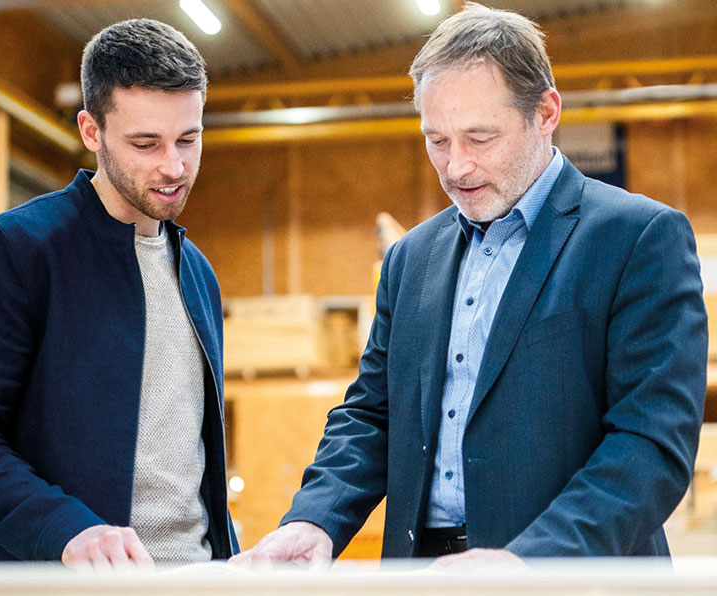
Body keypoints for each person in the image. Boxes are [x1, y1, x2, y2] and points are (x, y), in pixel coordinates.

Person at [231, 3, 707, 567]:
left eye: (480, 138)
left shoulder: (636, 238)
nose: (456, 168)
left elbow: (649, 443)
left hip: (568, 573)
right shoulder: (412, 258)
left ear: (546, 112)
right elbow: (374, 413)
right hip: (424, 571)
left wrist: (532, 558)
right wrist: (316, 518)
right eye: (437, 141)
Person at [0, 18, 237, 568]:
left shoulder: (198, 275)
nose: (174, 166)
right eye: (146, 143)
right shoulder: (15, 250)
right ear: (91, 131)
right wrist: (67, 531)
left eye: (188, 140)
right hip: (64, 577)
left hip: (193, 577)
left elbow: (187, 462)